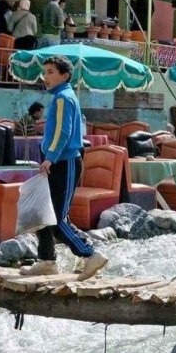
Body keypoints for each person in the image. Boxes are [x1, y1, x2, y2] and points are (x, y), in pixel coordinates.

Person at [23, 56, 108, 280]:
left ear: (65, 76)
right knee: (44, 213)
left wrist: (50, 157)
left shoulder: (63, 98)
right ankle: (46, 261)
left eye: (51, 72)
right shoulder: (62, 97)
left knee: (58, 219)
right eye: (45, 72)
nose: (46, 77)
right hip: (58, 161)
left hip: (65, 162)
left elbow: (63, 132)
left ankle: (89, 254)